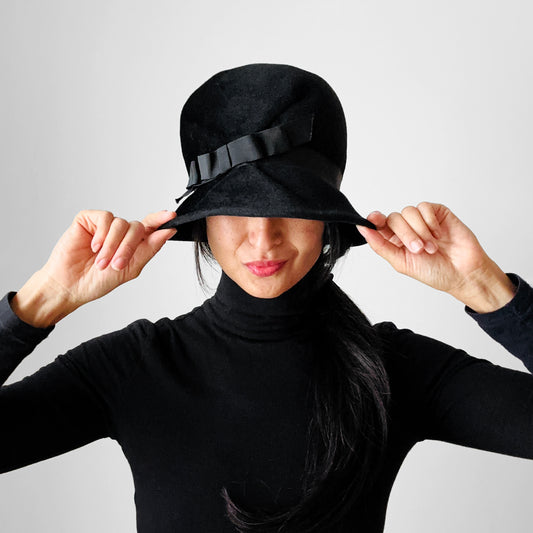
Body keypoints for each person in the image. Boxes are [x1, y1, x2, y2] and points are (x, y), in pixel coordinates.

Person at [1, 63, 532, 533]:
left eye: (291, 205)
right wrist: (40, 303)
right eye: (236, 209)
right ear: (202, 222)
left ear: (325, 220)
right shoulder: (134, 365)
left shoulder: (395, 369)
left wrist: (486, 290)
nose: (263, 239)